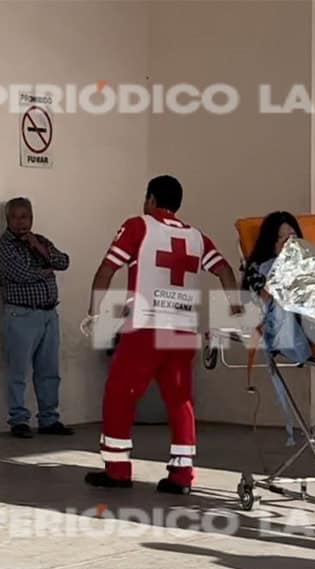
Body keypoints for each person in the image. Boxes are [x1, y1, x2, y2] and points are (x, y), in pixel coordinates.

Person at [81, 175, 243, 494]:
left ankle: (117, 469)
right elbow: (224, 270)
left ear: (151, 199)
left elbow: (106, 269)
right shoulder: (197, 237)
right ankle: (182, 476)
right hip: (183, 329)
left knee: (119, 394)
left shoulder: (138, 226)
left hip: (146, 327)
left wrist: (94, 312)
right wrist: (236, 312)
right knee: (180, 400)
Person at [0, 197, 75, 438]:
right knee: (18, 371)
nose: (21, 222)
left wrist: (39, 248)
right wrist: (46, 271)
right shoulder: (2, 247)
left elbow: (64, 262)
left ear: (31, 218)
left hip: (48, 313)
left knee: (49, 370)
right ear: (7, 219)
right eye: (15, 217)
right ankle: (18, 421)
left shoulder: (41, 241)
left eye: (25, 216)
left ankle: (49, 419)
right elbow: (21, 275)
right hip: (21, 314)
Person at [242, 211, 312, 446]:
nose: (290, 243)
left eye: (293, 237)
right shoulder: (259, 269)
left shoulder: (310, 265)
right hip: (285, 330)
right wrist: (276, 279)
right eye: (283, 239)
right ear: (272, 244)